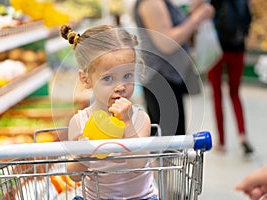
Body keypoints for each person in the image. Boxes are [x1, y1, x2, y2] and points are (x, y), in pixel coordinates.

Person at [60, 25, 158, 200]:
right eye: (108, 78)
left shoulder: (140, 119)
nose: (120, 87)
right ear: (86, 79)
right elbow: (74, 176)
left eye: (127, 76)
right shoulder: (79, 122)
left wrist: (127, 123)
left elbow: (138, 164)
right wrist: (83, 155)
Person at [134, 0, 214, 136]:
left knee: (172, 139)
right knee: (170, 142)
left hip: (168, 77)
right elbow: (166, 42)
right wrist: (197, 17)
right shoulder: (150, 3)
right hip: (161, 79)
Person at [208, 0, 253, 154]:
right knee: (235, 93)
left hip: (216, 50)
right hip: (238, 49)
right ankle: (242, 135)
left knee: (217, 94)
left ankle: (221, 142)